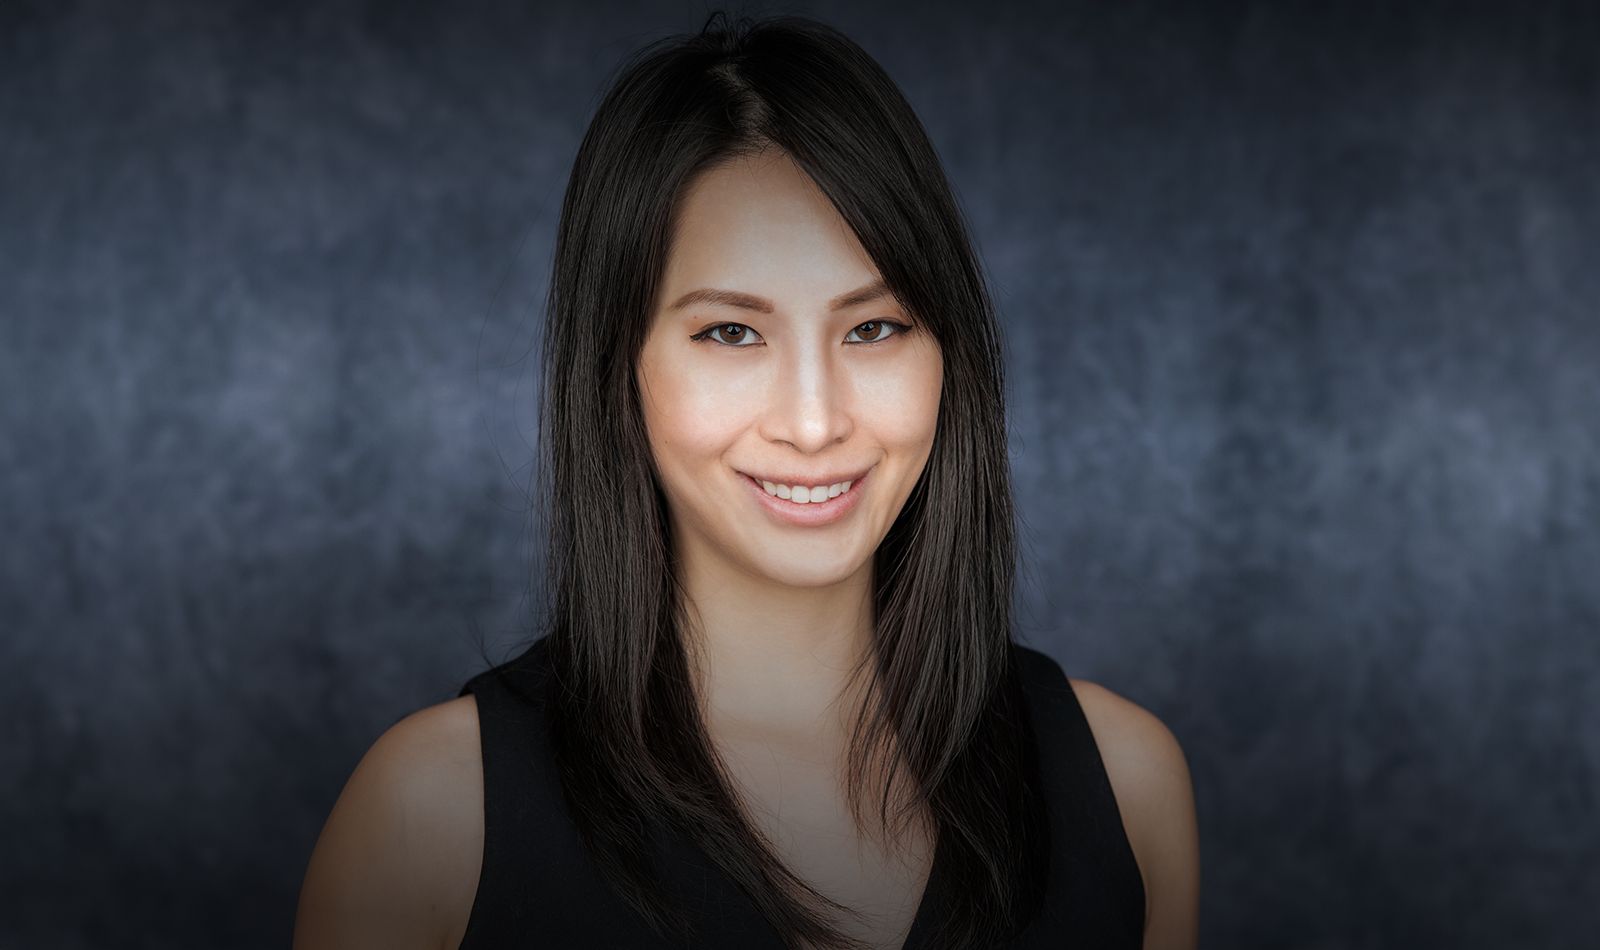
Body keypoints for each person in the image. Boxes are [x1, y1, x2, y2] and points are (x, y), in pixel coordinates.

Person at [292, 11, 1199, 950]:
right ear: (619, 368)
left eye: (874, 328)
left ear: (949, 355)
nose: (814, 423)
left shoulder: (1126, 786)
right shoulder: (432, 820)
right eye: (731, 332)